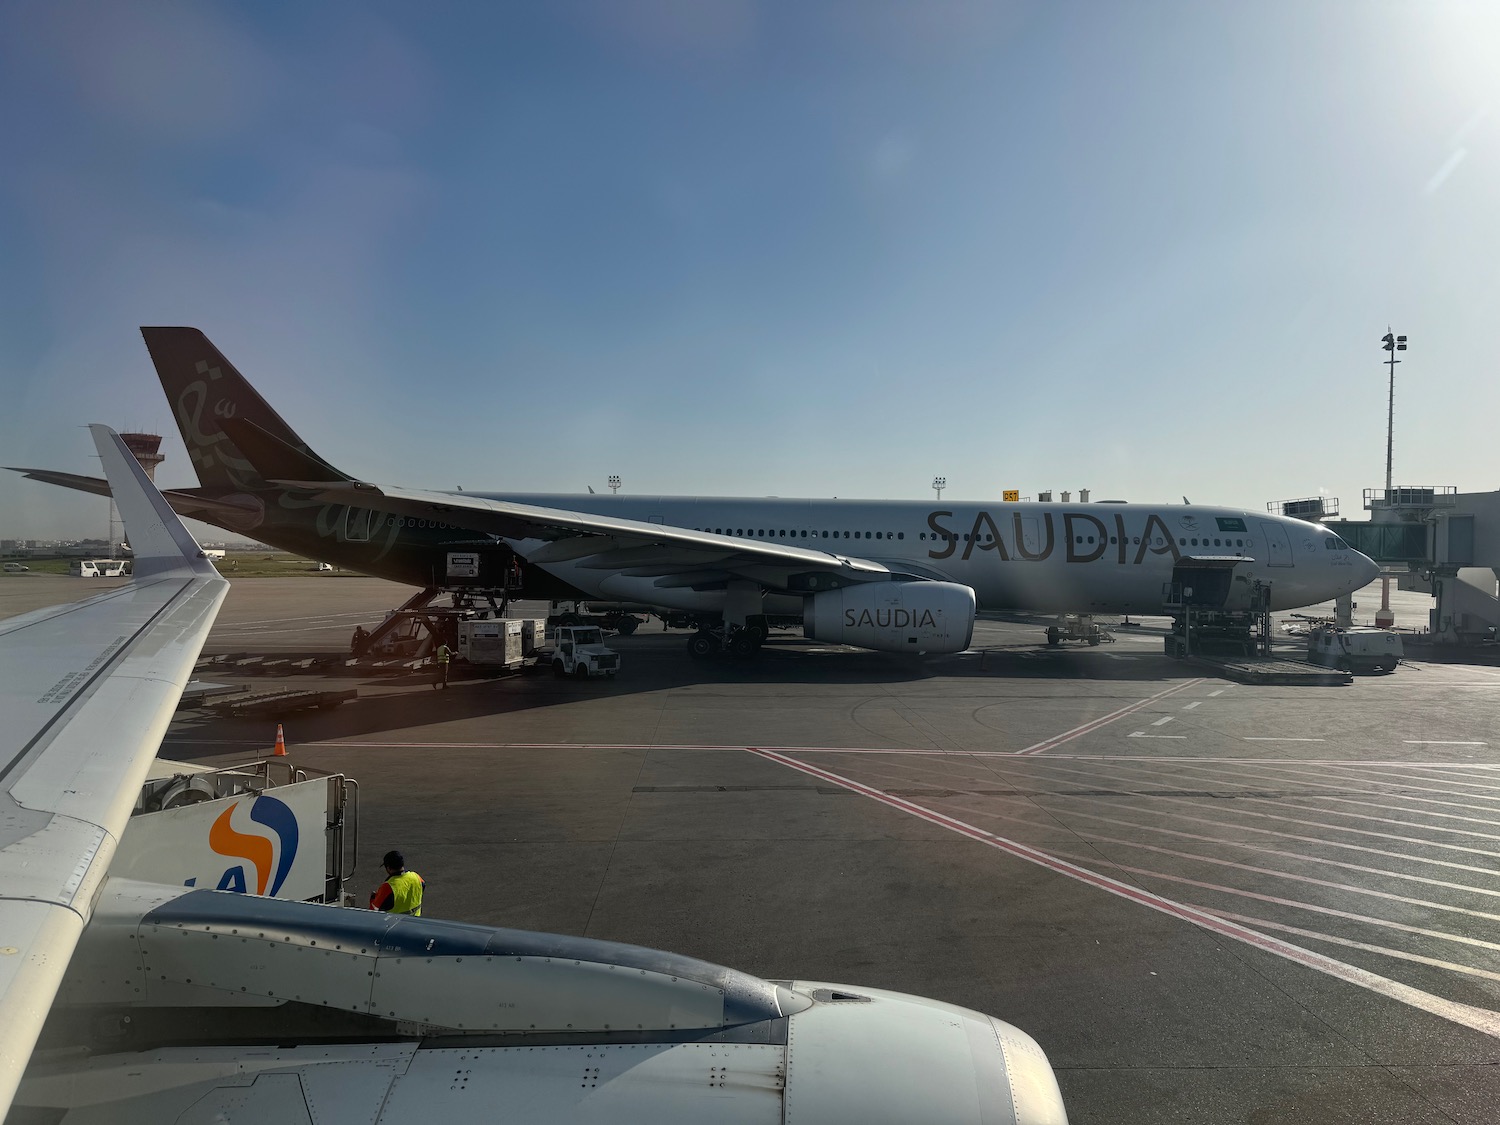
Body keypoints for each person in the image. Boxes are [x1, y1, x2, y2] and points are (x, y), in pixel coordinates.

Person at [369, 850, 425, 915]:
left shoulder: (388, 887)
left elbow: (374, 910)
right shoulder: (416, 877)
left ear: (388, 868)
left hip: (395, 923)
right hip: (415, 922)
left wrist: (373, 898)